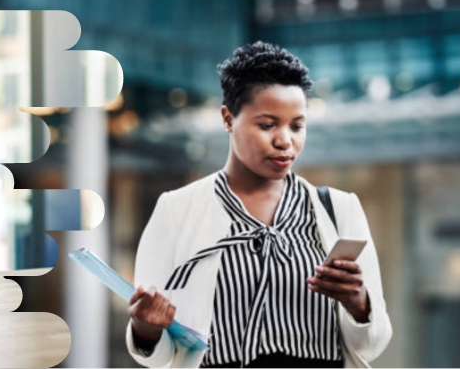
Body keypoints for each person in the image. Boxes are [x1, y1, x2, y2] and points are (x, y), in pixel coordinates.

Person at [126, 42, 392, 368]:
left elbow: (373, 344)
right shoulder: (175, 211)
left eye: (297, 126)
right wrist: (146, 328)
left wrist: (359, 304)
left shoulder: (340, 209)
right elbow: (160, 354)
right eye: (267, 125)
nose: (285, 141)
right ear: (228, 118)